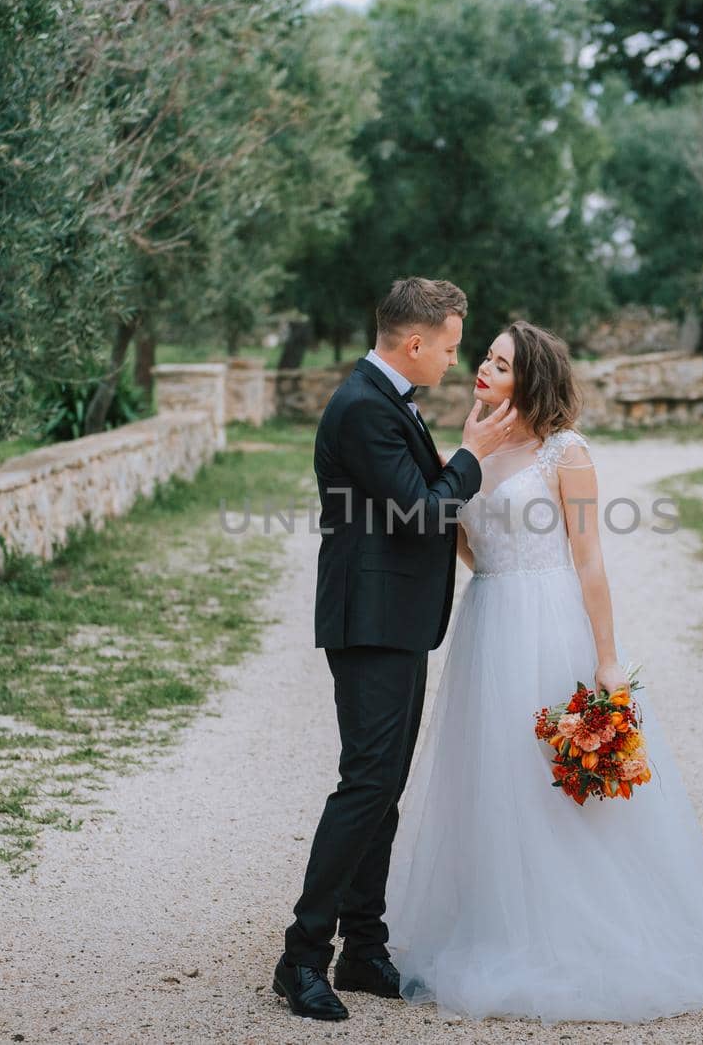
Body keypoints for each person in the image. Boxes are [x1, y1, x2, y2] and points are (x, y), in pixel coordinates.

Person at [381, 319, 703, 1023]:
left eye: (499, 363)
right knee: (496, 772)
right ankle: (502, 917)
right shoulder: (470, 450)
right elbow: (466, 542)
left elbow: (588, 556)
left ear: (528, 378)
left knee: (559, 774)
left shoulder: (566, 451)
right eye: (484, 357)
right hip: (489, 621)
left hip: (549, 619)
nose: (482, 367)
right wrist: (490, 559)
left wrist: (606, 658)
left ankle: (584, 924)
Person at [274, 277, 520, 1021]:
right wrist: (472, 453)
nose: (452, 361)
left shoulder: (384, 401)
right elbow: (421, 515)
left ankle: (364, 948)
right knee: (366, 785)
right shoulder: (361, 409)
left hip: (396, 621)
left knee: (382, 788)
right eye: (447, 348)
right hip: (370, 622)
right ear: (414, 343)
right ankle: (302, 956)